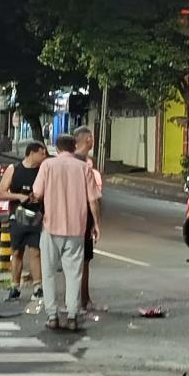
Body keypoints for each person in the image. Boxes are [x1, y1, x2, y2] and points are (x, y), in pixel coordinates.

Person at [33, 134, 101, 332]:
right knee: (74, 274)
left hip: (51, 226)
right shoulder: (84, 168)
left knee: (48, 273)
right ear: (74, 147)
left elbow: (37, 193)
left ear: (57, 148)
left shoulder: (47, 166)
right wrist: (96, 224)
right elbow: (93, 200)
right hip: (76, 228)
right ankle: (72, 315)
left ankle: (52, 315)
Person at [0, 142, 47, 301]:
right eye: (41, 153)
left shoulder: (42, 171)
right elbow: (2, 193)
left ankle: (38, 287)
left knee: (36, 251)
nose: (44, 156)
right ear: (32, 153)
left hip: (36, 216)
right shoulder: (14, 169)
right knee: (17, 252)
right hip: (18, 216)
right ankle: (15, 286)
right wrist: (19, 197)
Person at [73, 125, 103, 313]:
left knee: (82, 261)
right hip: (80, 218)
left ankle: (83, 299)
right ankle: (79, 301)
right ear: (88, 140)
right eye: (91, 137)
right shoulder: (81, 165)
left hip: (74, 219)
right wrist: (96, 222)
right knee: (80, 262)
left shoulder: (84, 162)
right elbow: (92, 198)